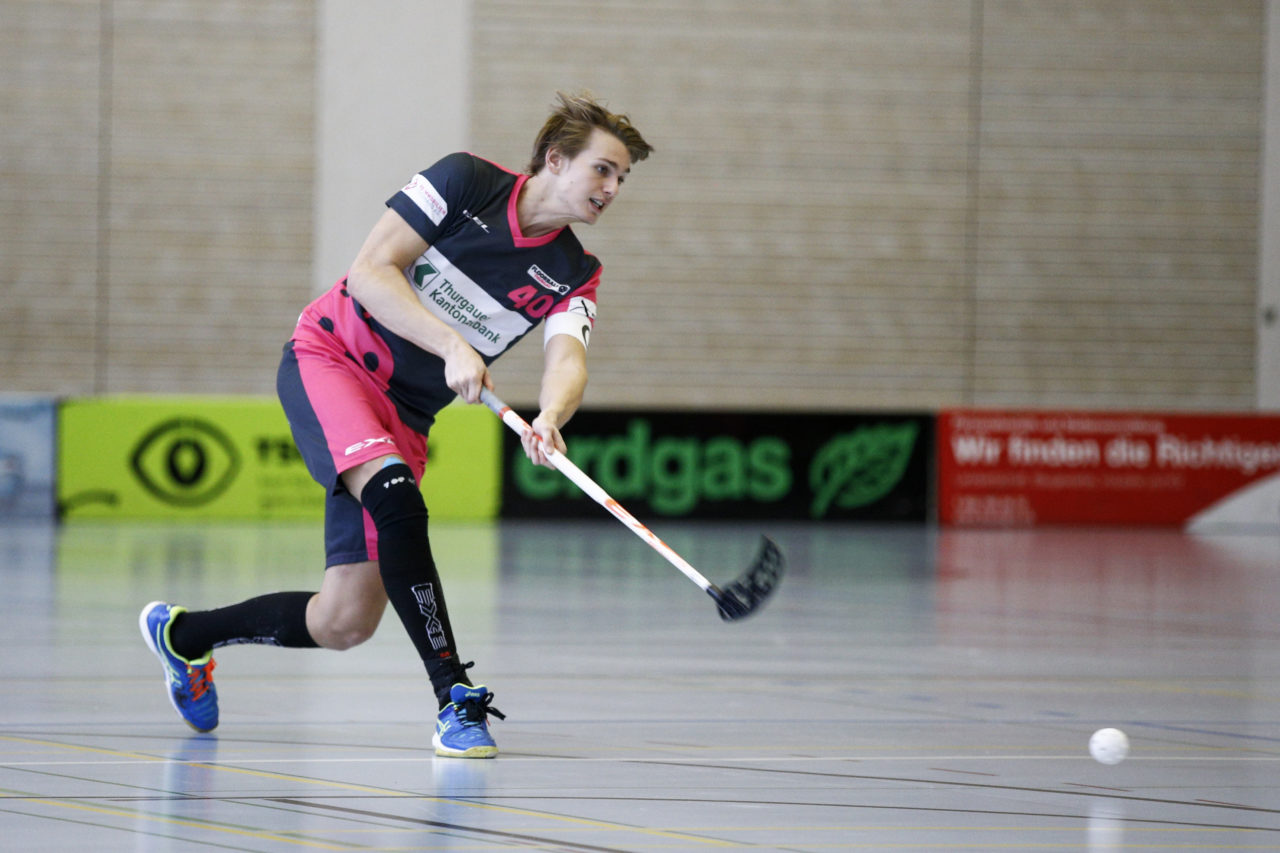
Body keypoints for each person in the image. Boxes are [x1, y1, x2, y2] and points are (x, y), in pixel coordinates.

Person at [139, 92, 653, 758]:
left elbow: (567, 357)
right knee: (397, 503)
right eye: (603, 170)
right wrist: (452, 344)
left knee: (344, 620)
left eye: (621, 178)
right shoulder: (464, 181)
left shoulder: (574, 271)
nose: (612, 187)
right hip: (334, 358)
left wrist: (551, 416)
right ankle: (454, 697)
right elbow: (370, 273)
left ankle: (184, 636)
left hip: (406, 414)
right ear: (555, 160)